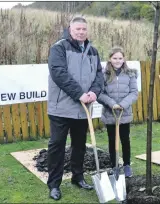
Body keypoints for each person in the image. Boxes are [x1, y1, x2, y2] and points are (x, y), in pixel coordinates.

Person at [47, 16, 104, 200]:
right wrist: (79, 94)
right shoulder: (59, 48)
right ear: (70, 29)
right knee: (57, 146)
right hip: (61, 108)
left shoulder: (93, 51)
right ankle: (54, 184)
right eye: (77, 29)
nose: (81, 32)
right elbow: (59, 73)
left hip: (83, 109)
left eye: (84, 29)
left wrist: (94, 93)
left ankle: (77, 177)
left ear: (87, 31)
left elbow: (99, 76)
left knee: (79, 146)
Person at [97, 46, 138, 178]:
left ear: (124, 59)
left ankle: (126, 165)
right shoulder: (104, 74)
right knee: (112, 140)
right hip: (110, 114)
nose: (117, 60)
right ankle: (114, 166)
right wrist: (112, 104)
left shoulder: (130, 74)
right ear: (110, 59)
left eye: (120, 58)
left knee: (125, 140)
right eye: (115, 58)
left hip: (124, 114)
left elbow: (134, 93)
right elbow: (100, 94)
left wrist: (122, 104)